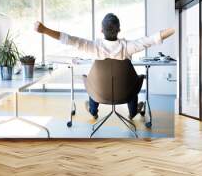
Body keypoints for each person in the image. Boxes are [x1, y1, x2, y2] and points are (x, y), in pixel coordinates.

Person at [34, 13, 175, 120]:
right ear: (119, 29)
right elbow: (153, 39)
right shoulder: (128, 47)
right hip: (125, 94)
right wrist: (174, 28)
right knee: (132, 80)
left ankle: (93, 111)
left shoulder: (94, 47)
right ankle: (133, 112)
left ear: (101, 30)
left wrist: (44, 30)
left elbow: (69, 39)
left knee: (93, 80)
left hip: (100, 93)